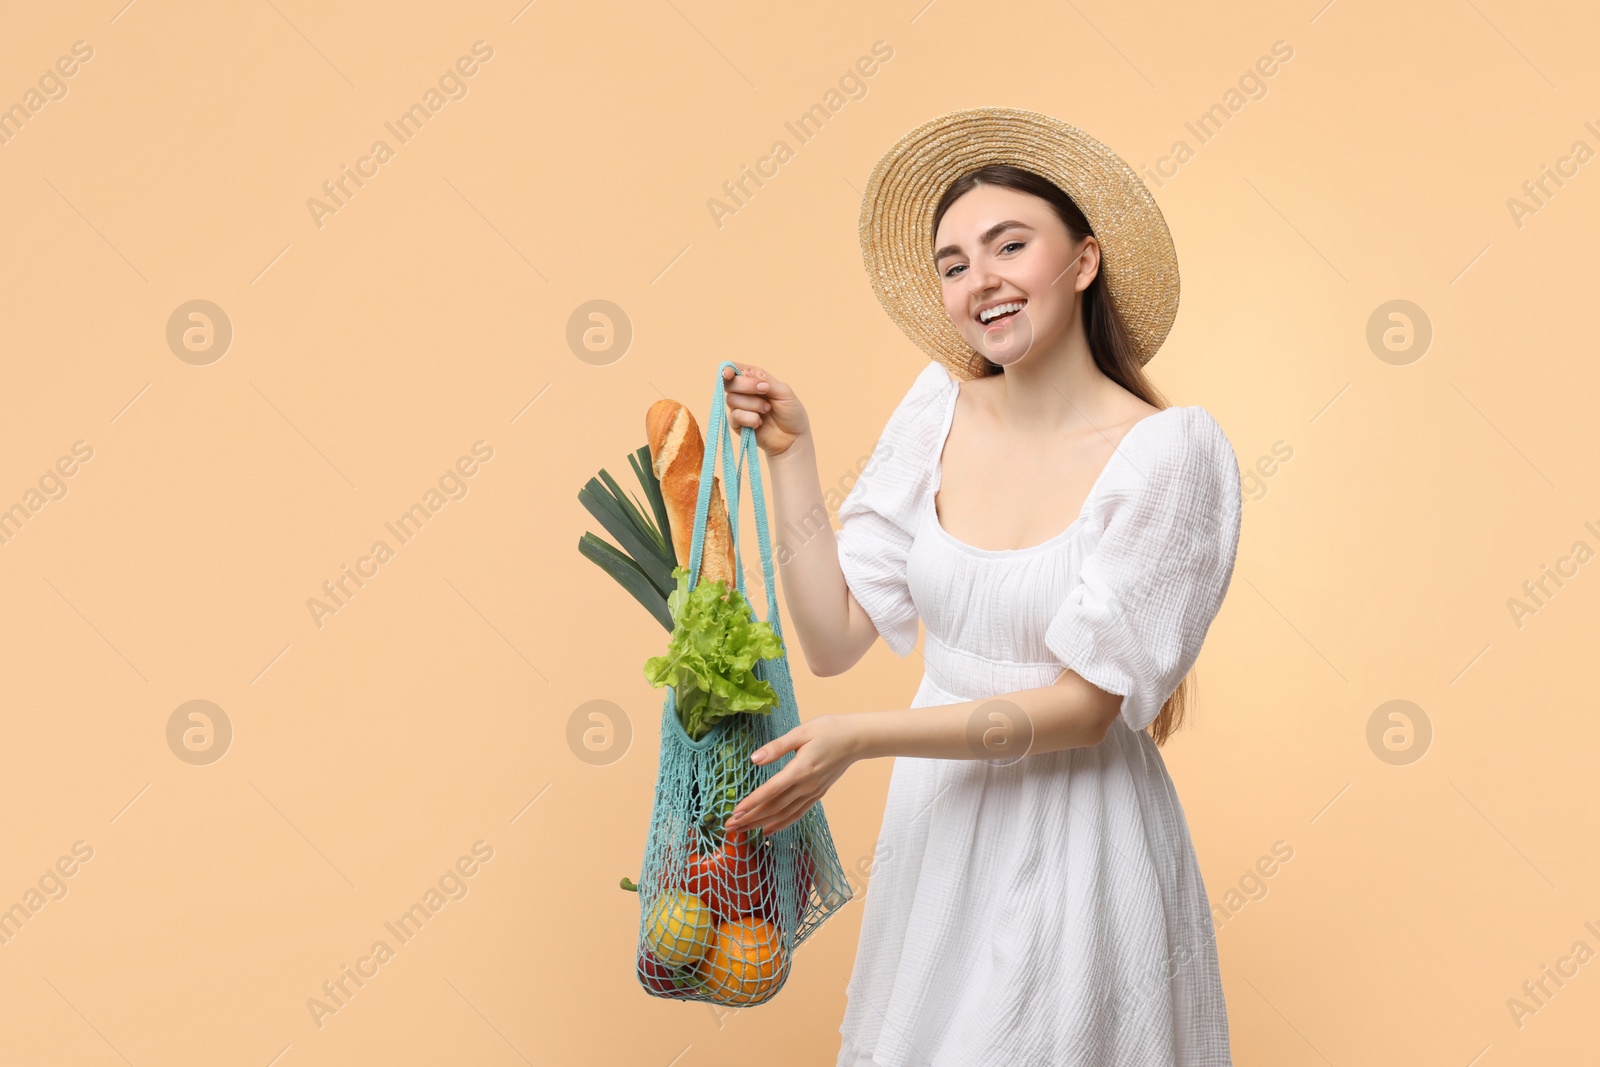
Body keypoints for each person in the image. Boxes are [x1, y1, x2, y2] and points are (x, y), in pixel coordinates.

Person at [721, 107, 1241, 1066]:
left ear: (1083, 261)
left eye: (1010, 245)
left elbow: (1085, 710)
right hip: (942, 830)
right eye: (955, 263)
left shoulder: (1169, 454)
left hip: (1082, 840)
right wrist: (791, 457)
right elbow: (835, 639)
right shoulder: (936, 409)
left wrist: (863, 739)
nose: (981, 280)